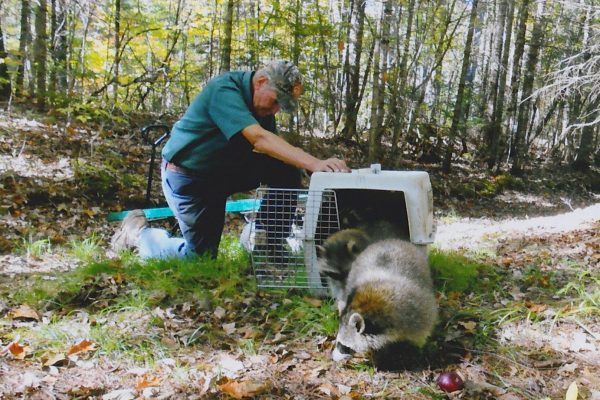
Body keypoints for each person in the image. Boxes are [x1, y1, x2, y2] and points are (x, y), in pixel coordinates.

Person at [111, 61, 350, 259]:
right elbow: (259, 139)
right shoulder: (225, 90)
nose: (276, 110)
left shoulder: (261, 108)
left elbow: (274, 148)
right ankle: (139, 235)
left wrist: (317, 170)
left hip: (223, 172)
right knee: (200, 257)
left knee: (285, 168)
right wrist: (313, 162)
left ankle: (267, 245)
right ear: (261, 82)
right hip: (189, 178)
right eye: (276, 101)